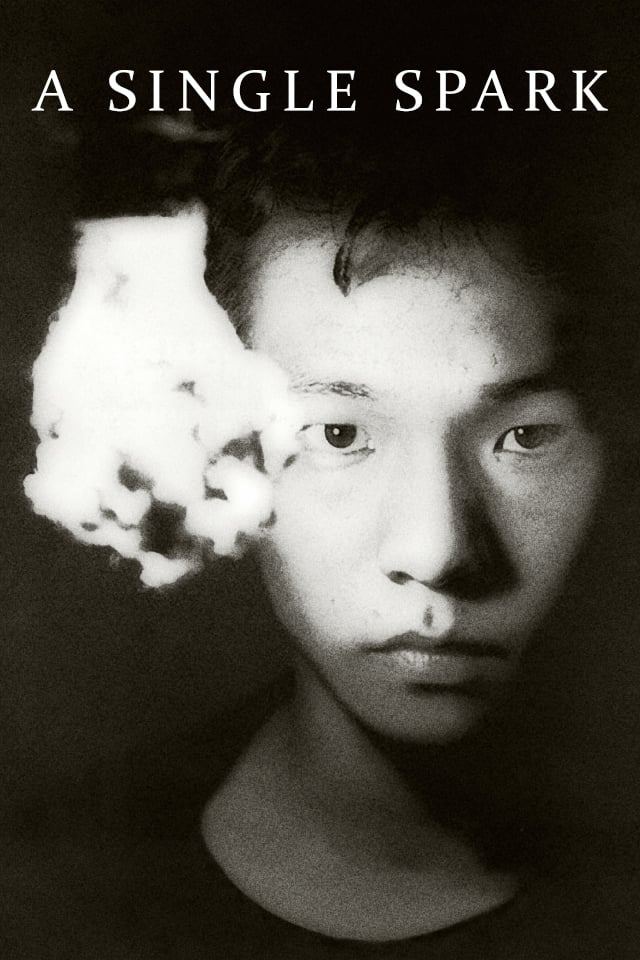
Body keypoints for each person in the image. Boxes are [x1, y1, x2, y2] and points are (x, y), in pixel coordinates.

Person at [17, 122, 640, 958]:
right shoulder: (47, 895)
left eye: (524, 438)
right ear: (220, 444)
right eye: (338, 434)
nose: (436, 550)